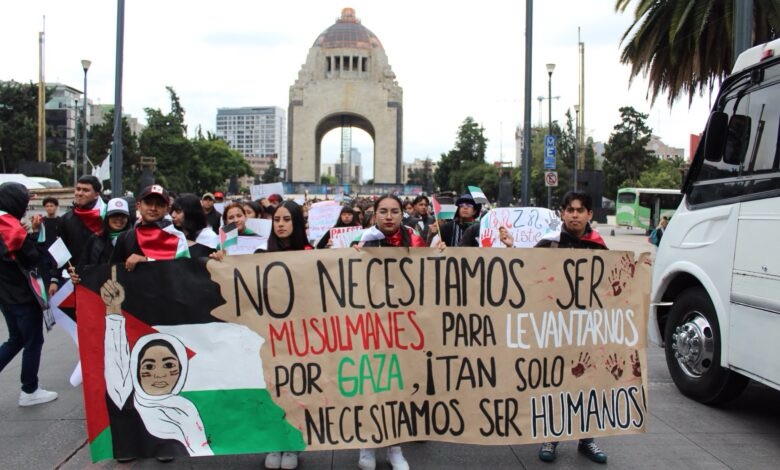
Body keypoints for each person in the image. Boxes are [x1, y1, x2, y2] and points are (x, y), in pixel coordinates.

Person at [101, 275, 213, 459]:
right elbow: (116, 358)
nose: (159, 374)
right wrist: (113, 311)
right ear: (136, 370)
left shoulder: (185, 408)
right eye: (149, 366)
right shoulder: (126, 398)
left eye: (169, 365)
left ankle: (165, 450)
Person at [534, 191, 608, 464]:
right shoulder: (547, 245)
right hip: (555, 326)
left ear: (589, 214)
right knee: (555, 381)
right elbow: (527, 277)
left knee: (588, 382)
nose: (575, 214)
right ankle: (551, 436)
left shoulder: (599, 247)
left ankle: (587, 439)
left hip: (588, 327)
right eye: (570, 210)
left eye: (580, 210)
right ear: (562, 213)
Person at [352, 195, 423, 470]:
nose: (389, 216)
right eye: (383, 211)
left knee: (399, 387)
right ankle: (368, 443)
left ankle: (395, 447)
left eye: (394, 211)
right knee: (371, 383)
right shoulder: (363, 241)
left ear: (402, 214)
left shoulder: (415, 241)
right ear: (375, 215)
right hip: (370, 324)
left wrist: (438, 254)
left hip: (405, 326)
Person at [260, 200, 311, 469]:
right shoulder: (259, 253)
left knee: (296, 389)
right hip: (268, 335)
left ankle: (292, 443)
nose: (280, 224)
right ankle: (273, 441)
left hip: (300, 336)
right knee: (272, 389)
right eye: (276, 220)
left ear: (296, 223)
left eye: (286, 219)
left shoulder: (310, 253)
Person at [0, 182, 58, 407]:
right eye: (24, 202)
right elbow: (31, 256)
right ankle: (30, 389)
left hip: (5, 295)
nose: (25, 207)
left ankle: (30, 388)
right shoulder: (10, 226)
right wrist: (34, 235)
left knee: (16, 339)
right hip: (21, 294)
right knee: (32, 340)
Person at [111, 185, 190, 271]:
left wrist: (147, 261)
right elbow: (112, 272)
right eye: (148, 203)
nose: (153, 208)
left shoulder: (178, 238)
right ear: (138, 206)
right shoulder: (125, 237)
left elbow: (183, 271)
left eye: (159, 204)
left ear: (167, 209)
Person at [59, 175, 104, 271]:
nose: (79, 193)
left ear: (96, 194)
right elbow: (61, 251)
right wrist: (55, 279)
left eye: (85, 190)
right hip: (74, 276)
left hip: (102, 274)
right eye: (78, 189)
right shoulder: (66, 219)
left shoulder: (107, 216)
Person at [75, 198, 132, 270]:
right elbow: (83, 266)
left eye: (123, 216)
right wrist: (77, 274)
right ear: (107, 217)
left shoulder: (134, 239)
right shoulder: (95, 239)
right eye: (115, 215)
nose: (119, 219)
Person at [171, 194, 220, 258]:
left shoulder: (210, 237)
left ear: (191, 213)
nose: (173, 215)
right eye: (173, 211)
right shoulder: (173, 234)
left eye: (178, 212)